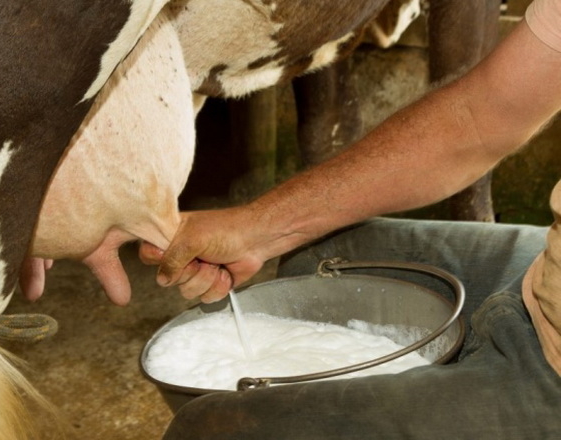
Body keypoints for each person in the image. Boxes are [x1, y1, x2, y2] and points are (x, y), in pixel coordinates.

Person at [138, 0, 561, 438]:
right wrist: (254, 229)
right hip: (543, 271)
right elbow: (478, 116)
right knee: (321, 257)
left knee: (210, 428)